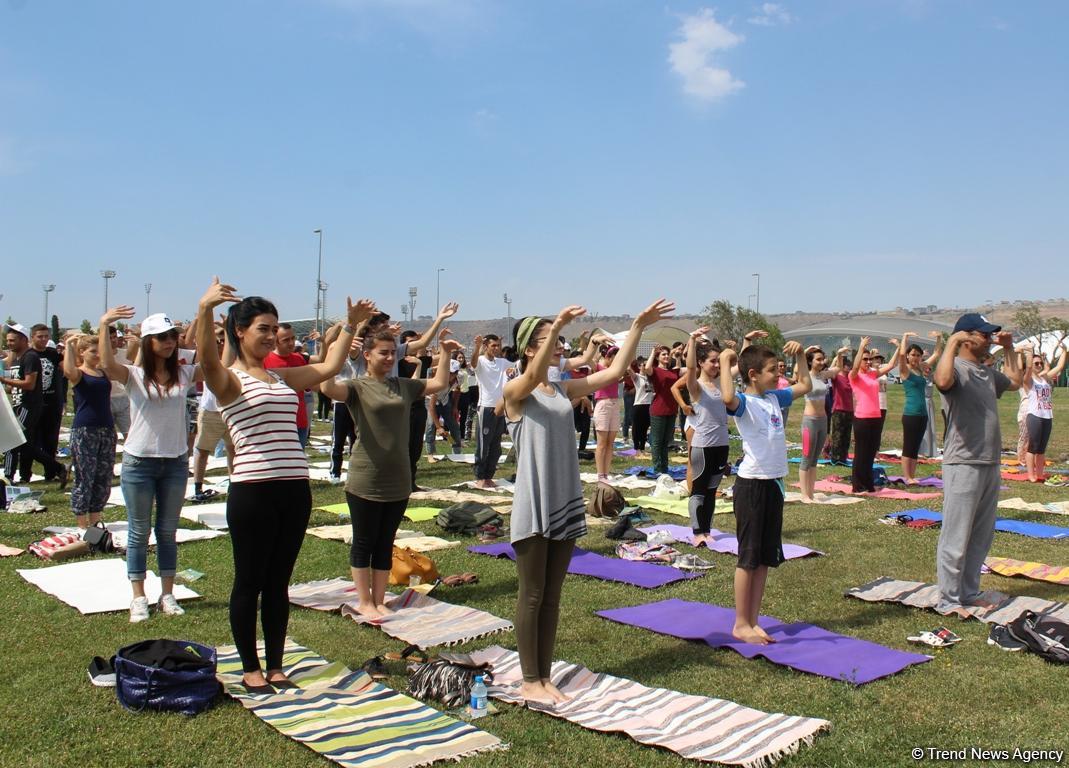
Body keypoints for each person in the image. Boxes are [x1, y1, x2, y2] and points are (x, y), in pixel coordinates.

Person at [197, 278, 371, 692]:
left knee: (278, 583)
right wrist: (204, 312)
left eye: (275, 328)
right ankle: (250, 668)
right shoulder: (229, 380)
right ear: (239, 332)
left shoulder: (280, 378)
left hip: (294, 491)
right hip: (253, 493)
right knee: (249, 581)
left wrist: (350, 325)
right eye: (263, 328)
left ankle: (275, 664)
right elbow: (206, 362)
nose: (272, 335)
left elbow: (328, 368)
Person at [504, 298, 674, 704]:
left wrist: (637, 326)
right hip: (534, 502)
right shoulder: (516, 392)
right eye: (550, 341)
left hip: (564, 498)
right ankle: (530, 679)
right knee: (531, 594)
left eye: (560, 339)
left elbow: (615, 371)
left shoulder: (564, 389)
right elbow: (528, 378)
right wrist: (558, 322)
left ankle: (544, 678)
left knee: (552, 595)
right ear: (530, 349)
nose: (560, 346)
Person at [319, 322, 461, 619]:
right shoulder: (358, 387)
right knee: (364, 541)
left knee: (385, 541)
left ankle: (380, 599)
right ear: (367, 355)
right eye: (382, 353)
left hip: (398, 478)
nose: (388, 358)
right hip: (365, 477)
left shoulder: (403, 386)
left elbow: (438, 384)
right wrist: (335, 349)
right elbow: (327, 386)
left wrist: (445, 354)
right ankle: (364, 601)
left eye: (391, 353)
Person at [99, 308, 197, 623]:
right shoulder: (134, 375)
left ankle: (168, 594)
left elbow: (215, 363)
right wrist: (104, 325)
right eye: (162, 337)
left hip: (175, 462)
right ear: (147, 341)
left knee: (167, 532)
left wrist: (205, 318)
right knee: (139, 531)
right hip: (139, 462)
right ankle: (138, 597)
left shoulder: (185, 373)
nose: (170, 342)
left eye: (173, 336)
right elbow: (107, 364)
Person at [720, 341, 811, 644]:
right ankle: (740, 623)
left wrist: (800, 355)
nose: (779, 375)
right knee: (748, 557)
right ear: (754, 374)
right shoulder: (745, 402)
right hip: (752, 486)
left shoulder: (774, 398)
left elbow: (806, 385)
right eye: (773, 370)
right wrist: (724, 360)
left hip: (774, 484)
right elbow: (728, 396)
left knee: (764, 559)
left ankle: (753, 620)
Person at [933, 313, 1021, 617]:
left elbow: (1015, 382)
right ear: (967, 337)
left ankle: (969, 592)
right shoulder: (954, 367)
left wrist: (1008, 349)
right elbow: (942, 381)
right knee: (956, 535)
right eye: (984, 335)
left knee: (980, 535)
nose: (990, 339)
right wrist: (953, 342)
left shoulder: (986, 372)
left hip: (989, 461)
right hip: (963, 462)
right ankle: (948, 600)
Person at [2, 323, 67, 487]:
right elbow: (14, 385)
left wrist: (3, 380)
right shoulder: (18, 358)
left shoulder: (30, 357)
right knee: (25, 444)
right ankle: (58, 467)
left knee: (13, 439)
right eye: (8, 341)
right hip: (19, 404)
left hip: (28, 405)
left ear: (24, 340)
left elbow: (30, 384)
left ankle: (8, 476)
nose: (9, 344)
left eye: (13, 340)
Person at [62, 334, 115, 529]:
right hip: (85, 430)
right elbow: (68, 370)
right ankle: (82, 523)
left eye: (99, 350)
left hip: (106, 428)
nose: (97, 354)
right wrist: (69, 345)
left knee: (103, 476)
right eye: (93, 351)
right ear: (82, 352)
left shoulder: (103, 373)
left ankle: (95, 519)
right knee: (85, 476)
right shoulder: (79, 374)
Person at [683, 327, 730, 546]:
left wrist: (747, 342)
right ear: (702, 363)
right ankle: (697, 531)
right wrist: (692, 340)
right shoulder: (696, 387)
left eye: (718, 361)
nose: (717, 365)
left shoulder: (721, 385)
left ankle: (707, 530)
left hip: (722, 445)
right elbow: (690, 367)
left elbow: (736, 368)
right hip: (703, 447)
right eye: (712, 361)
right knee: (699, 491)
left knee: (712, 491)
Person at [192, 322, 235, 501]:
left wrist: (228, 330)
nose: (220, 343)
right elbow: (201, 344)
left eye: (224, 340)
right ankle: (198, 487)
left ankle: (235, 483)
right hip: (210, 411)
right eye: (217, 341)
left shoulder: (233, 357)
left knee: (233, 449)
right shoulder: (208, 359)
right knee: (202, 450)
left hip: (230, 410)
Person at [848, 337, 898, 493]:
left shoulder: (872, 374)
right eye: (865, 359)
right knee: (861, 453)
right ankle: (858, 485)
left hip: (875, 417)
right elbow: (856, 366)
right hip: (861, 418)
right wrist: (861, 347)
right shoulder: (854, 375)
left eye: (869, 359)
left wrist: (898, 347)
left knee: (870, 453)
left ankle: (869, 484)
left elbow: (890, 365)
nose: (868, 362)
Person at [798, 346, 847, 501]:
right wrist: (805, 351)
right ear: (810, 362)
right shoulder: (805, 376)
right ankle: (804, 494)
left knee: (814, 459)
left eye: (822, 359)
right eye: (818, 359)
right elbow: (798, 365)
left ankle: (811, 493)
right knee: (806, 457)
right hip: (809, 421)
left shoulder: (823, 376)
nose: (822, 362)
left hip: (823, 420)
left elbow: (838, 368)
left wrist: (839, 354)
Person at [1021, 340, 1067, 483]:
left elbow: (1059, 366)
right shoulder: (1029, 380)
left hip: (1047, 416)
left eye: (1040, 363)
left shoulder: (1045, 379)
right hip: (1034, 416)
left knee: (1041, 448)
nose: (1039, 365)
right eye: (1036, 363)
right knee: (1032, 447)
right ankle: (1030, 474)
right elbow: (1028, 368)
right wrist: (1029, 353)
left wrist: (1065, 351)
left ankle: (1040, 474)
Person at [897, 332, 940, 483]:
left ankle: (912, 476)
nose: (915, 357)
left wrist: (939, 338)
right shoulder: (905, 370)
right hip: (911, 413)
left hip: (922, 414)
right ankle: (907, 477)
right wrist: (905, 337)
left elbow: (936, 353)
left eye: (918, 355)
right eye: (913, 354)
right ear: (908, 356)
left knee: (915, 446)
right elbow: (901, 354)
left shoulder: (921, 368)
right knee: (908, 445)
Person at [264, 323, 314, 448]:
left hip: (299, 420)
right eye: (286, 340)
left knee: (298, 461)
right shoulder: (265, 360)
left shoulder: (299, 359)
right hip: (276, 422)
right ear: (275, 341)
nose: (291, 343)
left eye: (292, 338)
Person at [471, 333, 510, 488]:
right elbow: (473, 363)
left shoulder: (502, 362)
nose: (496, 348)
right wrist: (476, 347)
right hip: (486, 407)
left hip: (500, 408)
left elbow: (519, 365)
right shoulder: (480, 361)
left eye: (498, 345)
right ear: (486, 346)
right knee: (483, 445)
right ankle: (480, 476)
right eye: (493, 346)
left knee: (496, 446)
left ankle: (489, 476)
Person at [30, 325, 64, 479]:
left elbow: (66, 368)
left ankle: (50, 473)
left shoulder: (53, 354)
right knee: (32, 441)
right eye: (40, 336)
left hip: (52, 403)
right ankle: (26, 473)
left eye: (46, 336)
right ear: (32, 337)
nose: (43, 339)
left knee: (51, 440)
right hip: (34, 403)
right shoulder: (29, 355)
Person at [644, 346, 679, 475]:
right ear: (658, 357)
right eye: (663, 354)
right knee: (657, 442)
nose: (666, 356)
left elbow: (683, 371)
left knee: (666, 442)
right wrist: (653, 352)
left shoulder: (672, 371)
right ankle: (658, 469)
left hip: (672, 410)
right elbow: (647, 368)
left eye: (667, 354)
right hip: (658, 410)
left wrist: (678, 356)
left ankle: (665, 468)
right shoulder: (656, 371)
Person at [592, 345, 625, 481]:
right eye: (614, 358)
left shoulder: (615, 371)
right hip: (603, 404)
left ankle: (606, 472)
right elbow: (590, 360)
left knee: (610, 442)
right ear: (608, 357)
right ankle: (600, 474)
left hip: (615, 403)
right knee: (602, 442)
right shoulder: (599, 367)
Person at [827, 362, 853, 466]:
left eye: (849, 366)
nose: (849, 368)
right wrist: (839, 356)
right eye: (847, 365)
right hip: (838, 409)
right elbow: (830, 370)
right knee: (837, 434)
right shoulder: (836, 377)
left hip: (850, 410)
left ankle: (843, 456)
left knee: (846, 435)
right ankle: (835, 457)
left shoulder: (850, 378)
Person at [630, 357, 653, 453]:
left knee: (645, 427)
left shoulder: (650, 378)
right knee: (637, 428)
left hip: (649, 405)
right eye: (644, 365)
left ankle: (642, 447)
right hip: (639, 405)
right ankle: (636, 447)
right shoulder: (637, 377)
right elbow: (628, 370)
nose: (646, 367)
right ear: (639, 366)